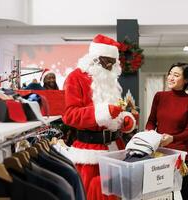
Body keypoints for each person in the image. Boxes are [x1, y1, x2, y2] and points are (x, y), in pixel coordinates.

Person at [62, 34, 136, 200]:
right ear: (94, 58)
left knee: (117, 194)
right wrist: (102, 112)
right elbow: (69, 115)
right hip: (89, 152)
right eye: (105, 60)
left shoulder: (111, 80)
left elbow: (114, 111)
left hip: (115, 148)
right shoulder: (76, 77)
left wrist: (124, 120)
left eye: (112, 62)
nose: (109, 65)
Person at [146, 62, 188, 200]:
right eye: (170, 73)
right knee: (160, 196)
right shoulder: (159, 96)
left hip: (182, 158)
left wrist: (172, 138)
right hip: (159, 155)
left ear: (186, 80)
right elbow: (151, 121)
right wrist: (153, 135)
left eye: (176, 75)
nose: (170, 77)